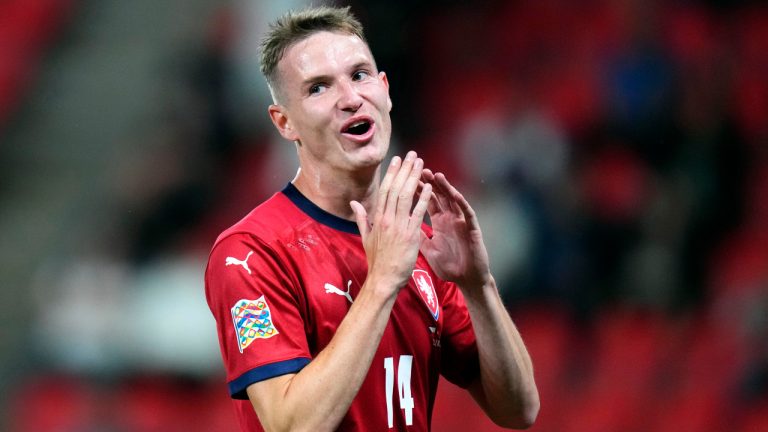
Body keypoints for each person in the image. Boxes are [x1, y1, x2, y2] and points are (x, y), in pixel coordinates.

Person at [204, 5, 539, 431]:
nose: (350, 98)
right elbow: (291, 426)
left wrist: (478, 285)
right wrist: (382, 282)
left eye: (360, 75)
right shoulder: (251, 252)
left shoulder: (416, 244)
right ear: (285, 122)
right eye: (318, 88)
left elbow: (519, 410)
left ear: (385, 90)